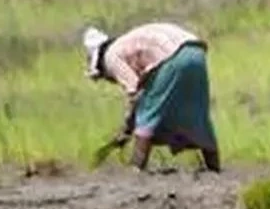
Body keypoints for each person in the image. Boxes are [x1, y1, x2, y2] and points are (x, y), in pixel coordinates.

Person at [82, 22, 221, 173]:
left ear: (99, 65)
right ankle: (214, 168)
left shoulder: (110, 57)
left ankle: (136, 169)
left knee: (147, 114)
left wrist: (128, 128)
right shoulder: (125, 44)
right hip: (195, 53)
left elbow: (135, 94)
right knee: (197, 114)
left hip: (171, 56)